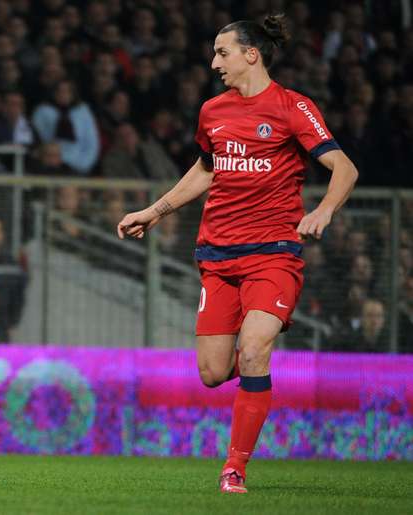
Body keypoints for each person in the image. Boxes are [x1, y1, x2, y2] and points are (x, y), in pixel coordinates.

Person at [117, 14, 358, 494]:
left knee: (253, 351)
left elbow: (343, 168)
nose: (214, 62)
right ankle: (252, 362)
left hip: (274, 254)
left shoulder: (293, 107)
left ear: (252, 54)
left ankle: (235, 467)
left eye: (222, 52)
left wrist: (324, 211)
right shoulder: (213, 111)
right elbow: (207, 170)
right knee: (211, 372)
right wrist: (156, 210)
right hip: (217, 256)